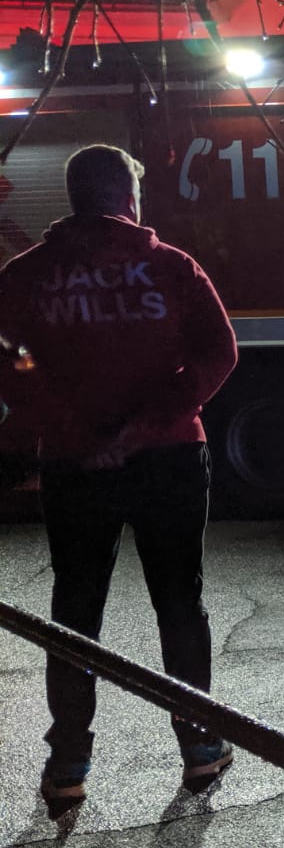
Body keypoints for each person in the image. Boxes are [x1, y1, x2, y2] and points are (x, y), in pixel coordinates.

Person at [0, 144, 239, 807]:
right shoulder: (172, 267)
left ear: (72, 197)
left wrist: (76, 433)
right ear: (129, 198)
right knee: (179, 602)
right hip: (169, 459)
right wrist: (147, 425)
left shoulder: (26, 275)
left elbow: (10, 362)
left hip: (74, 465)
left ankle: (68, 763)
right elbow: (219, 353)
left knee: (75, 608)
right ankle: (200, 747)